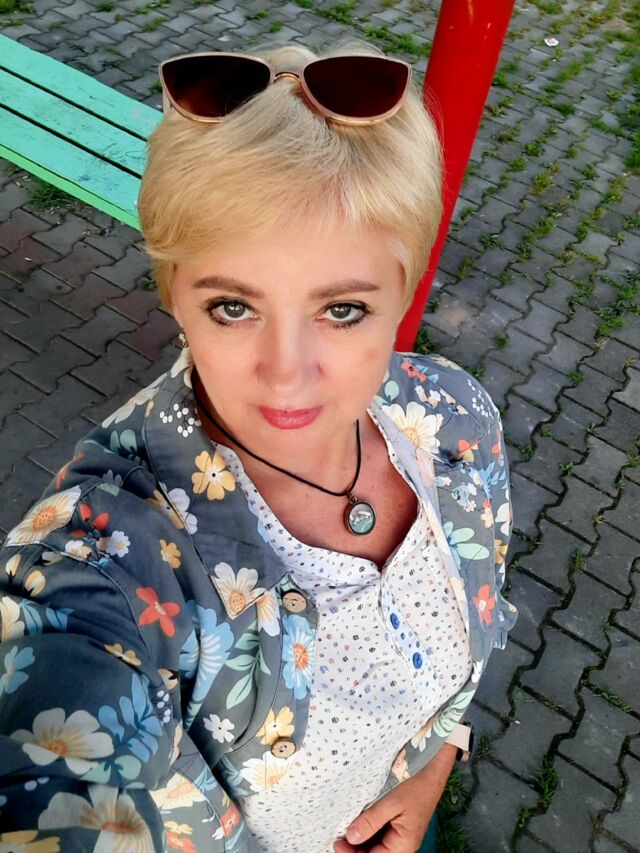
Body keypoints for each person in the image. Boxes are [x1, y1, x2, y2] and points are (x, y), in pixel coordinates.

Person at [0, 39, 517, 853]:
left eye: (342, 309)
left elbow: (481, 605)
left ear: (404, 289)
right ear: (174, 294)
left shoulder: (456, 420)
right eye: (233, 306)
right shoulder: (111, 551)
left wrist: (437, 755)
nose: (287, 373)